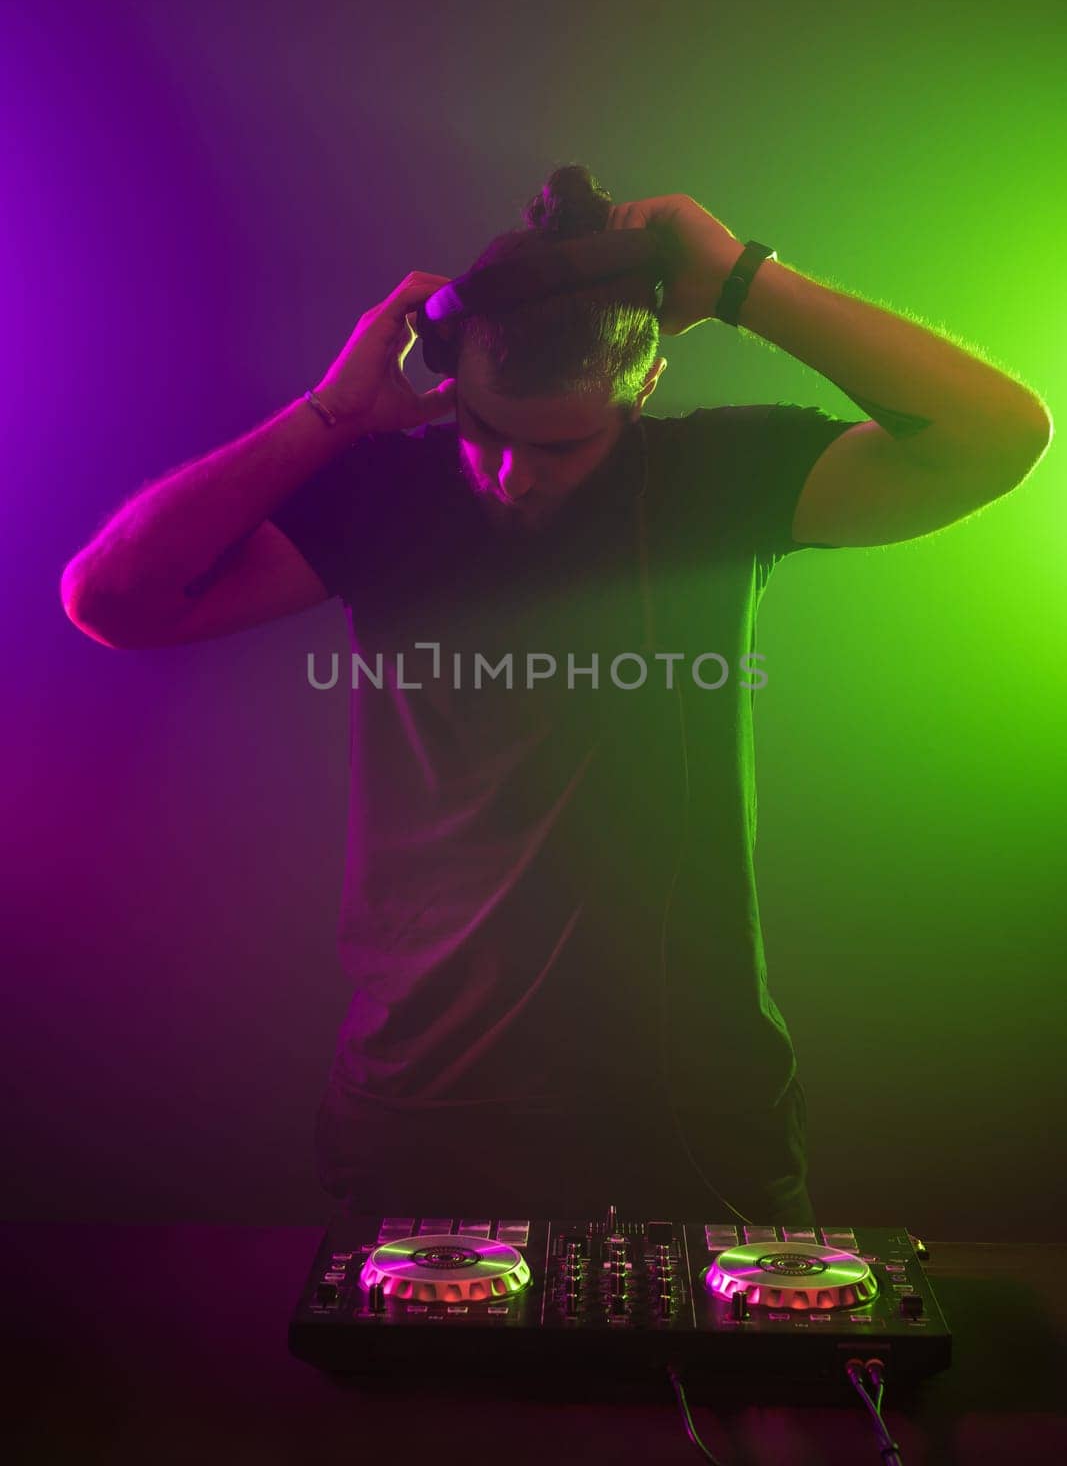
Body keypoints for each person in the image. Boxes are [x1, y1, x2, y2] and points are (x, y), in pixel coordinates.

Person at [61, 165, 1051, 1227]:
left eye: (562, 444)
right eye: (483, 430)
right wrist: (331, 414)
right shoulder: (384, 491)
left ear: (644, 386)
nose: (510, 473)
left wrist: (739, 281)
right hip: (423, 1107)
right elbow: (112, 598)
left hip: (695, 1115)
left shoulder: (719, 480)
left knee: (740, 1395)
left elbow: (998, 436)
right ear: (452, 378)